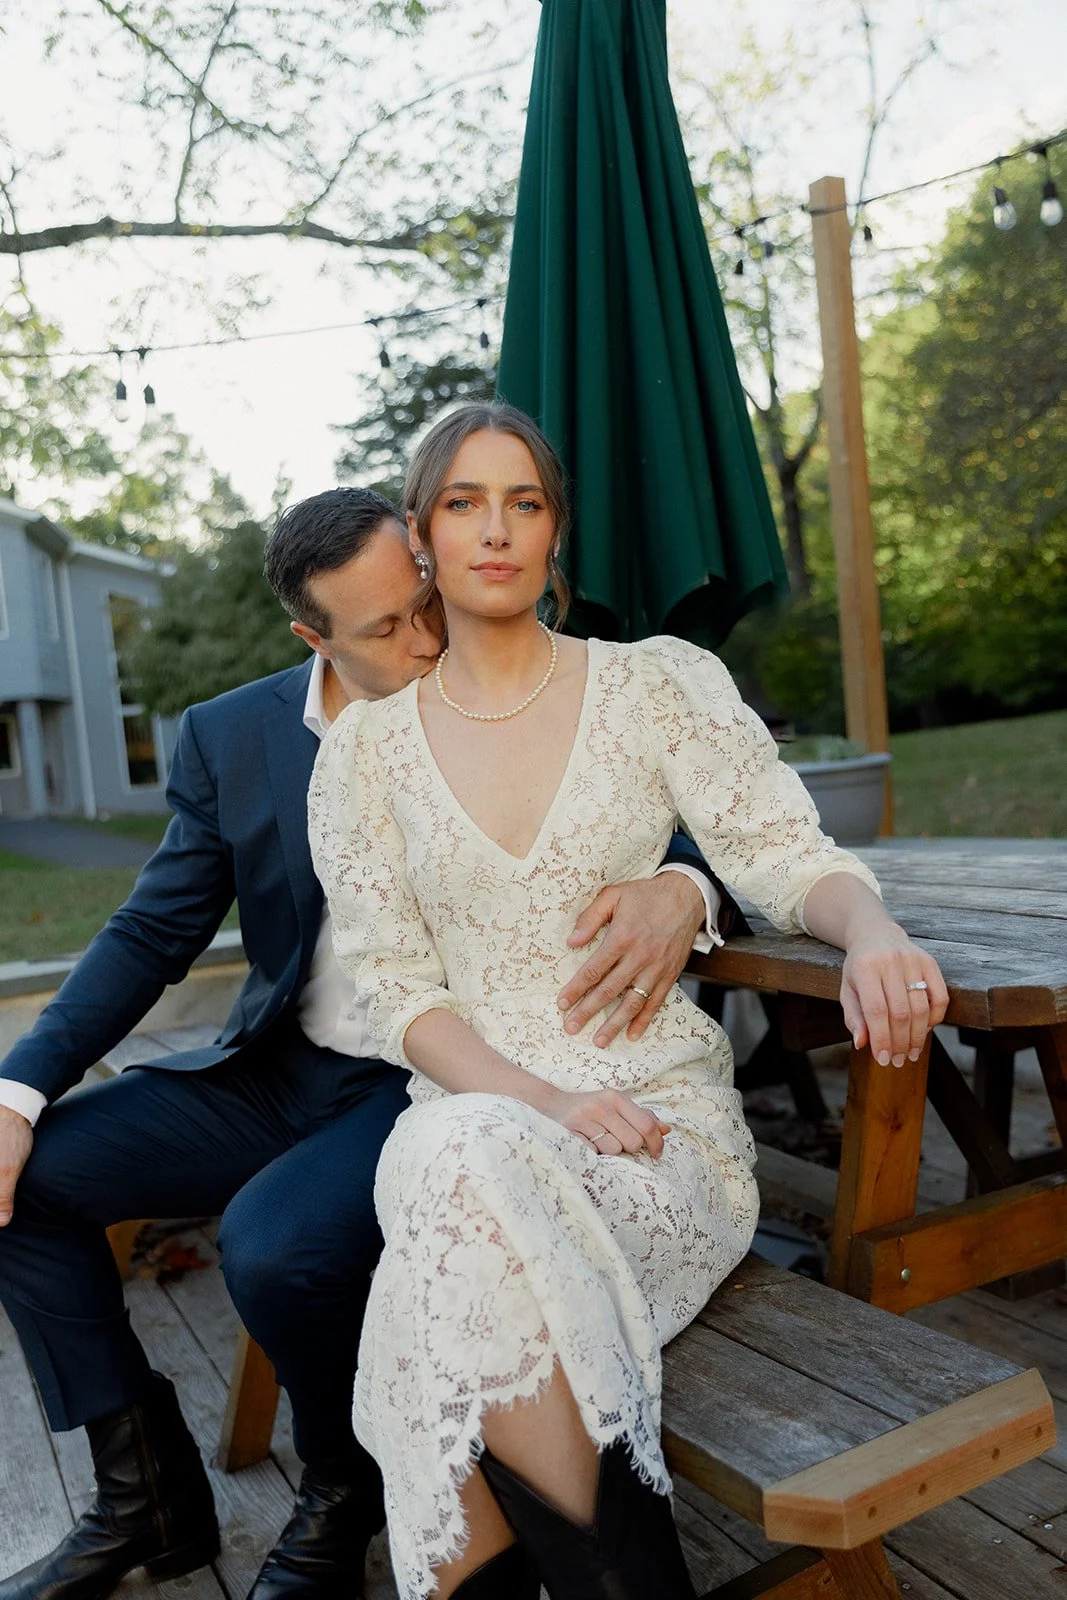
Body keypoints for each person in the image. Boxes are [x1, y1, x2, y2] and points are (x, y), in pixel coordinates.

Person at [0, 488, 726, 1600]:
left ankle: (339, 1491)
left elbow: (691, 805)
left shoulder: (506, 681)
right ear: (313, 638)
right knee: (24, 1176)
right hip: (281, 1065)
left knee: (274, 1244)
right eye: (384, 630)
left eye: (424, 602)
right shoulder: (231, 737)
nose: (427, 639)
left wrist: (684, 879)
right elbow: (153, 929)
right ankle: (144, 1491)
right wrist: (17, 1090)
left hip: (435, 1077)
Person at [307, 403, 950, 1600]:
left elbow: (780, 852)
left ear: (556, 531)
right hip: (478, 1117)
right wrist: (540, 1096)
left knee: (430, 1288)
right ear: (421, 532)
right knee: (462, 1159)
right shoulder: (363, 754)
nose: (493, 530)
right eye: (462, 503)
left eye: (524, 501)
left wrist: (871, 931)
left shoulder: (657, 684)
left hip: (653, 1137)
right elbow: (395, 991)